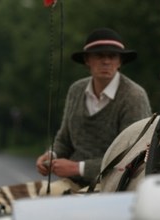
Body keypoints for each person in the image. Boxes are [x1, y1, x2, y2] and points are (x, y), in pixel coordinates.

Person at [36, 28, 152, 195]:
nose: (106, 61)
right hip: (75, 182)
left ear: (120, 62)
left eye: (112, 56)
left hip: (115, 185)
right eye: (99, 55)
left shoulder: (134, 96)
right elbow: (64, 139)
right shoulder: (76, 90)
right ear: (87, 60)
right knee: (45, 194)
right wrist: (50, 155)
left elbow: (133, 156)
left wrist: (78, 168)